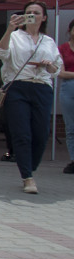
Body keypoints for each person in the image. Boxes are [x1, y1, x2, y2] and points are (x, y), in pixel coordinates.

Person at [0, 2, 62, 194]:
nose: (32, 15)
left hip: (42, 87)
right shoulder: (15, 36)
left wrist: (49, 66)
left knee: (41, 134)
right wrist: (10, 27)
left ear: (44, 17)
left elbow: (57, 68)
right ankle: (27, 177)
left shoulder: (48, 41)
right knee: (22, 133)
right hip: (18, 86)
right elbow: (0, 52)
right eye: (28, 12)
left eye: (36, 13)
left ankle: (29, 168)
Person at [59, 19, 74, 174]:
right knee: (70, 127)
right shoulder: (62, 48)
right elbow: (60, 72)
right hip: (68, 88)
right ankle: (73, 159)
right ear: (70, 30)